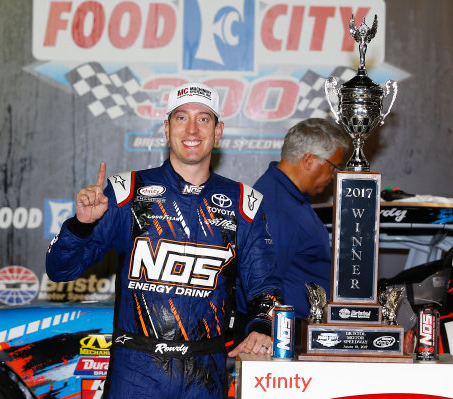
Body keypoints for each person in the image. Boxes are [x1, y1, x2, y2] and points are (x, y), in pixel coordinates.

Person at [46, 82, 282, 399]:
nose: (192, 129)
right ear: (166, 129)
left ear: (218, 130)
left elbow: (266, 287)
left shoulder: (243, 203)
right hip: (136, 372)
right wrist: (81, 225)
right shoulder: (128, 192)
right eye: (181, 118)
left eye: (204, 118)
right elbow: (60, 270)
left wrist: (262, 328)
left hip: (205, 375)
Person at [253, 118, 349, 325]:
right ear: (309, 160)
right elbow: (264, 283)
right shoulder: (276, 206)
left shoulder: (290, 198)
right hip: (289, 333)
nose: (334, 175)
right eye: (334, 167)